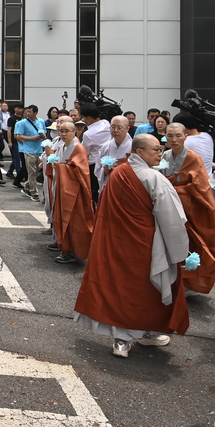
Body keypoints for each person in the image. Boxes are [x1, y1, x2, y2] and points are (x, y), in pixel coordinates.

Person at [73, 134, 191, 357]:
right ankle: (144, 334)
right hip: (145, 243)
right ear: (140, 152)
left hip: (116, 241)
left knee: (119, 287)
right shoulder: (153, 177)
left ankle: (122, 340)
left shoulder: (119, 173)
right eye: (155, 149)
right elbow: (171, 217)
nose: (160, 153)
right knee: (145, 290)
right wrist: (179, 250)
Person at [164, 123, 215, 293]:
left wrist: (174, 185)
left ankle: (189, 284)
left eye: (178, 135)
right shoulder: (164, 156)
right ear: (165, 137)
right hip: (167, 207)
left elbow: (200, 185)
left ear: (185, 137)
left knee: (190, 244)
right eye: (170, 136)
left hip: (190, 208)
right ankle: (170, 279)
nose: (174, 139)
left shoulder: (193, 157)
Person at [47, 119, 95, 264]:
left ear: (75, 132)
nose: (63, 134)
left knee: (73, 222)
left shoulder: (79, 148)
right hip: (62, 188)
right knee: (60, 217)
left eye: (66, 131)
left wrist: (60, 167)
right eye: (61, 131)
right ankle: (62, 245)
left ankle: (71, 251)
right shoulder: (62, 146)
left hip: (74, 192)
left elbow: (80, 171)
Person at [80, 102, 112, 203]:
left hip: (93, 165)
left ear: (89, 118)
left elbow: (85, 152)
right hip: (110, 160)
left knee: (94, 192)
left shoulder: (88, 134)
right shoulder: (106, 124)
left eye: (84, 118)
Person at [13, 104, 44, 199]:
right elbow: (18, 136)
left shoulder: (41, 121)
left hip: (39, 149)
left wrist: (43, 136)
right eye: (26, 111)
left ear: (35, 112)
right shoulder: (21, 123)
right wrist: (32, 138)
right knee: (32, 172)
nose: (27, 113)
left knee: (38, 170)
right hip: (28, 150)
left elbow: (44, 133)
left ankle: (27, 186)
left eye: (29, 111)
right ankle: (34, 192)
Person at [173, 112, 215, 182]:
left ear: (183, 127)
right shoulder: (207, 136)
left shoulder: (186, 142)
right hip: (208, 179)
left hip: (194, 183)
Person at [95, 115, 133, 190]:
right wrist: (105, 171)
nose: (115, 130)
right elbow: (97, 169)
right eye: (113, 127)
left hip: (126, 185)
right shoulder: (105, 147)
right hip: (109, 184)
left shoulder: (134, 146)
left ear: (127, 128)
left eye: (119, 128)